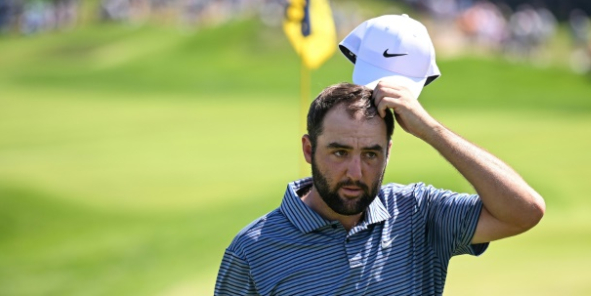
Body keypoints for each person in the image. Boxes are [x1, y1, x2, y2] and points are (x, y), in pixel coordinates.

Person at [214, 81, 545, 295]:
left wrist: (429, 129)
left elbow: (525, 211)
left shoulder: (417, 212)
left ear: (388, 153)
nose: (355, 172)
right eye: (340, 152)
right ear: (308, 150)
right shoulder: (252, 251)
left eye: (371, 154)